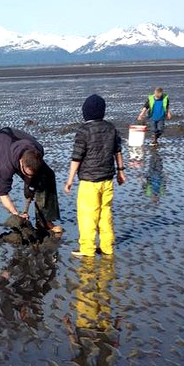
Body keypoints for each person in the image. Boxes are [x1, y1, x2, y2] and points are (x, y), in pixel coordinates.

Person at [64, 95, 126, 256]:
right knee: (105, 213)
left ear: (85, 112)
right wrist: (121, 171)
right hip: (107, 179)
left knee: (87, 215)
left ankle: (87, 249)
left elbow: (77, 157)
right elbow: (117, 151)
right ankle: (107, 247)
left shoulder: (83, 131)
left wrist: (70, 180)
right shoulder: (111, 128)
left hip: (89, 181)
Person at [0, 127, 62, 236]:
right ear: (21, 162)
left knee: (47, 175)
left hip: (17, 143)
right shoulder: (5, 166)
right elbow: (3, 194)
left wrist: (30, 186)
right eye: (26, 174)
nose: (29, 176)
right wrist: (16, 214)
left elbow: (34, 175)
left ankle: (44, 221)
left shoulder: (38, 150)